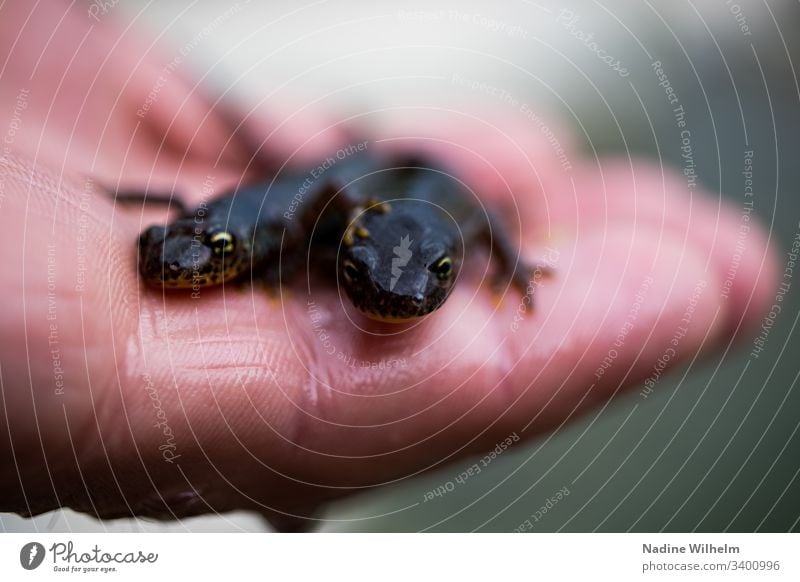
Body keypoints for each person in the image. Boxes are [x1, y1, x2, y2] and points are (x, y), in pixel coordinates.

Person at [0, 2, 777, 531]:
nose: (382, 304)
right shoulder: (322, 224)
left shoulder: (455, 229)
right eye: (358, 276)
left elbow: (470, 233)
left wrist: (515, 268)